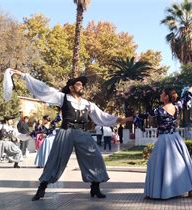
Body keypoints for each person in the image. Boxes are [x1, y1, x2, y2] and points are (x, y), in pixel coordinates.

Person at [10, 69, 130, 201]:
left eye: (82, 85)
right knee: (56, 159)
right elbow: (44, 89)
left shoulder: (88, 104)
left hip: (83, 133)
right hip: (66, 132)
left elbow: (102, 116)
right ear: (71, 87)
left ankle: (95, 187)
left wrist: (121, 120)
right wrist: (23, 76)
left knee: (95, 157)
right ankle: (42, 188)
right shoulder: (63, 98)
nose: (82, 86)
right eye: (79, 84)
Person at [134, 75, 192, 199]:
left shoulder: (158, 110)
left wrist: (137, 120)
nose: (160, 95)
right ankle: (189, 189)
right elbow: (187, 94)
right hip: (175, 138)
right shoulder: (176, 107)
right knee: (182, 164)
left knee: (156, 164)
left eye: (162, 94)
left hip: (164, 140)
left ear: (166, 97)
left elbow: (142, 116)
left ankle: (156, 191)